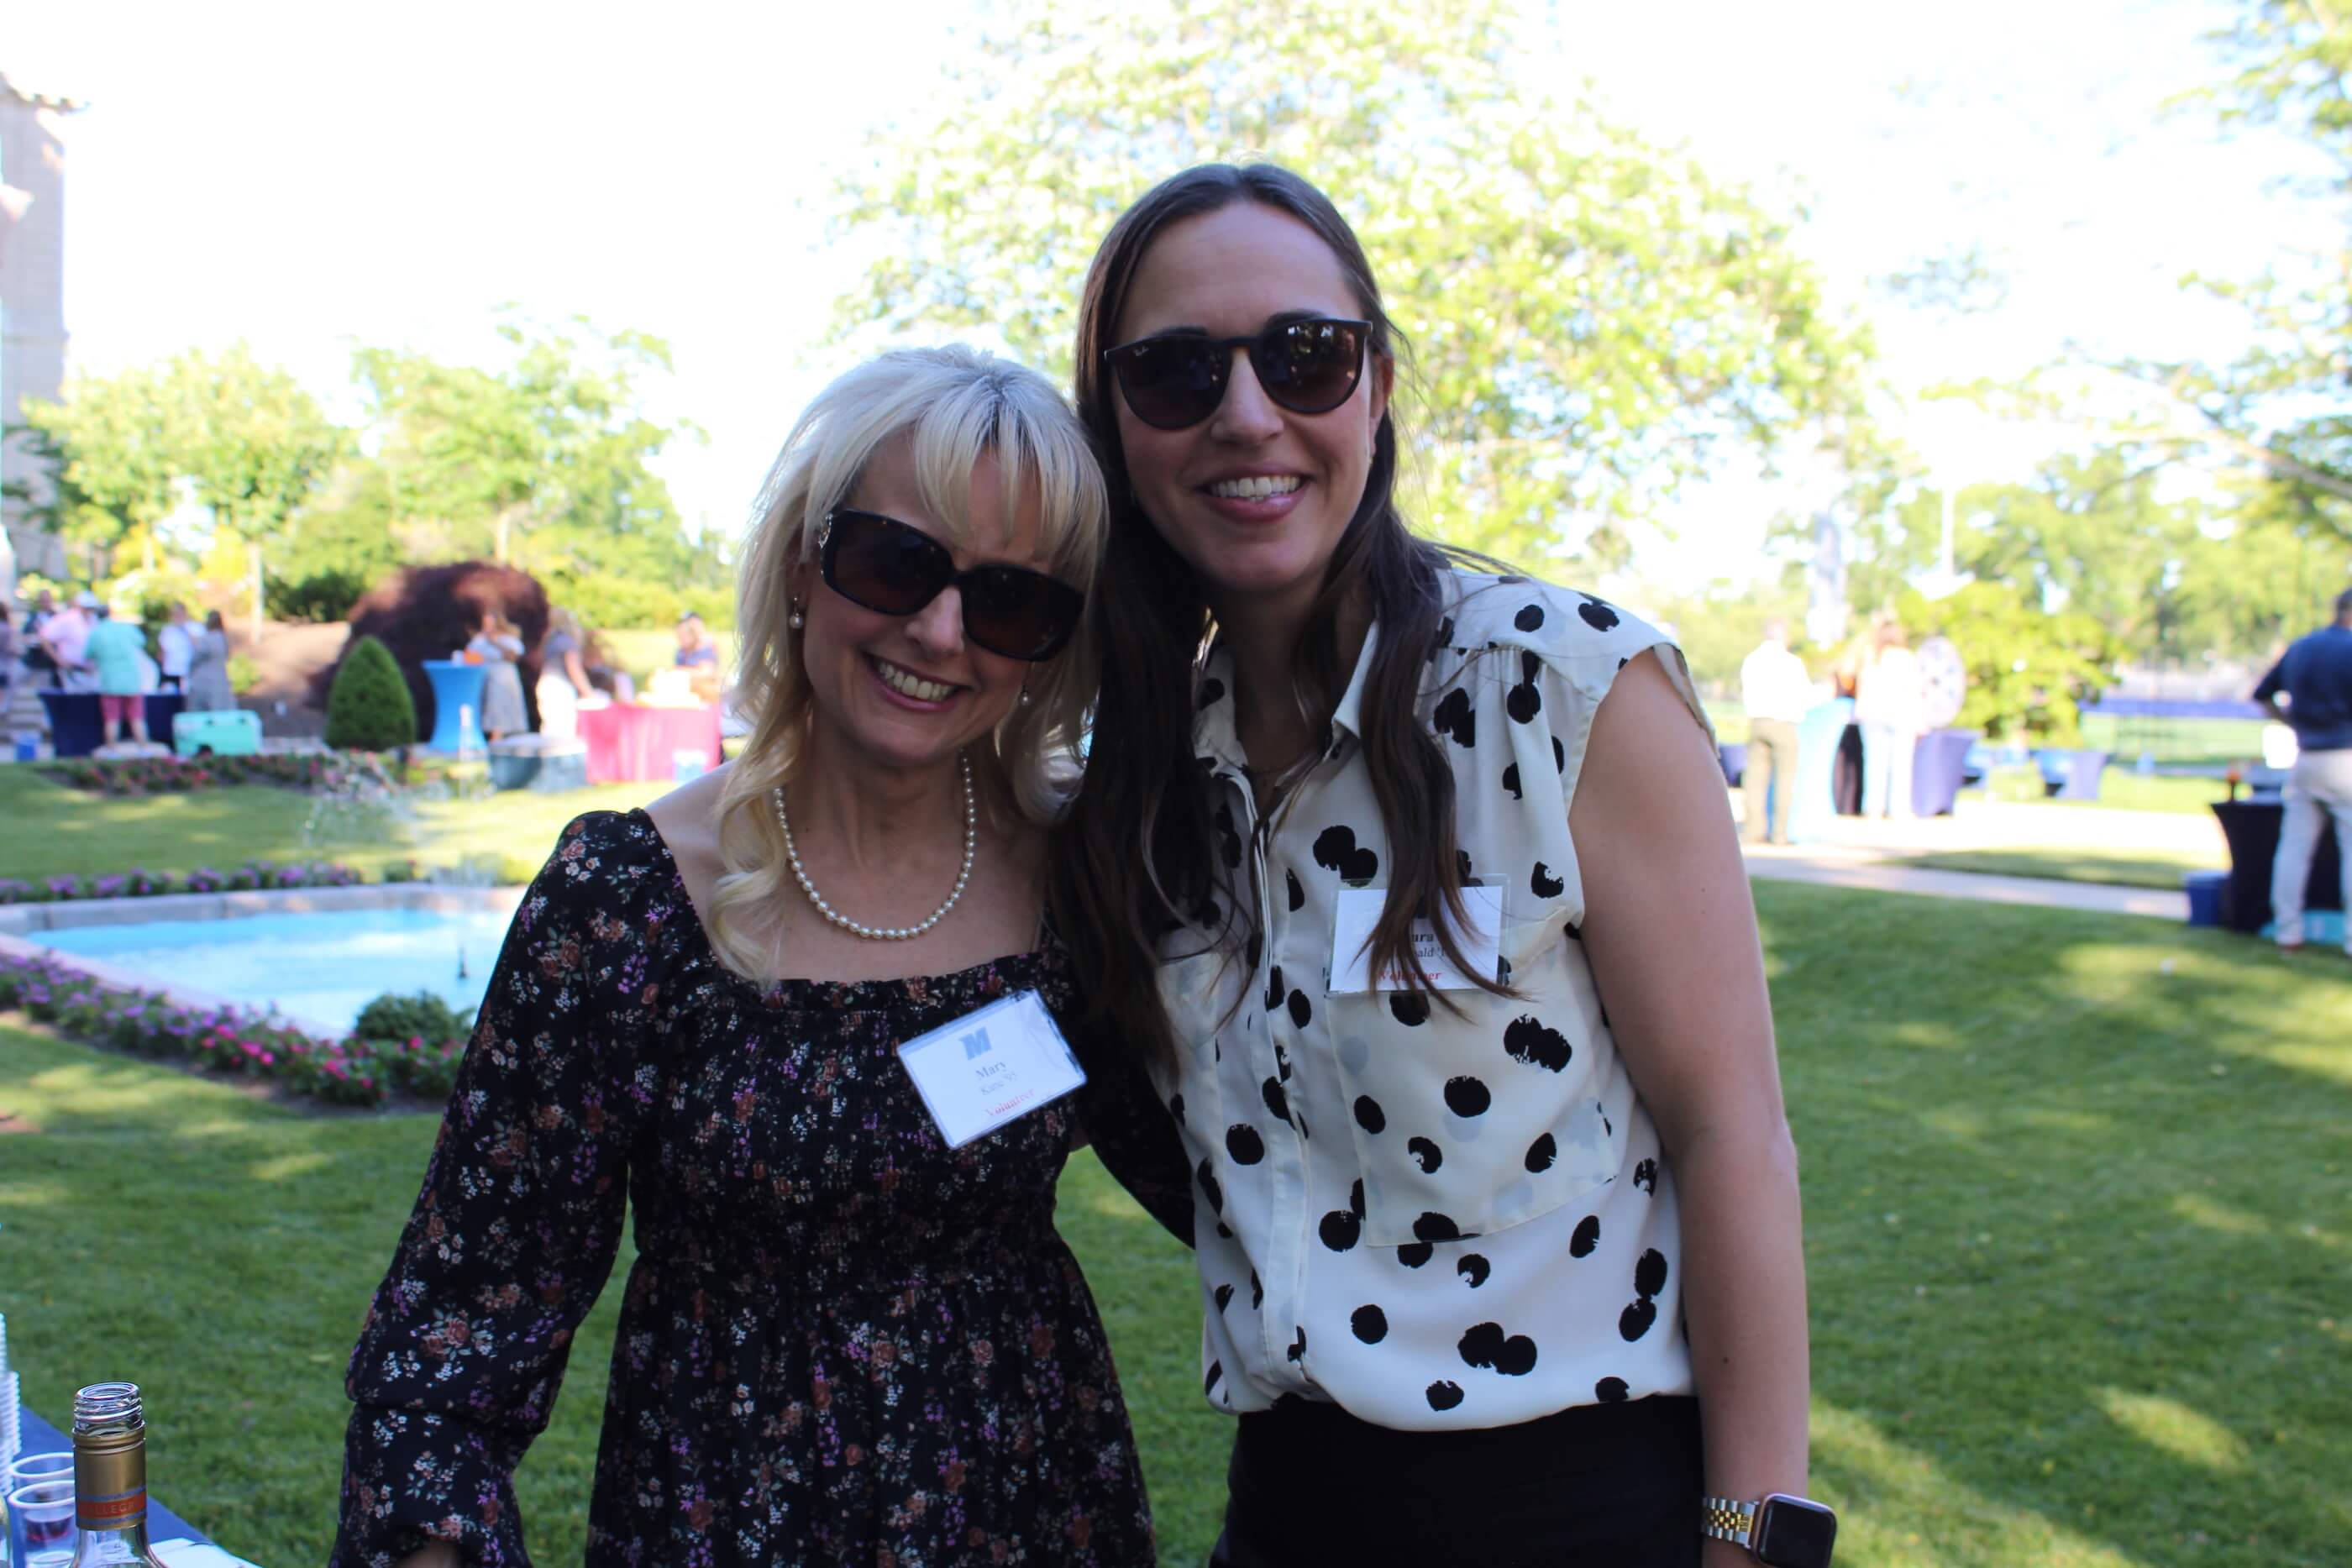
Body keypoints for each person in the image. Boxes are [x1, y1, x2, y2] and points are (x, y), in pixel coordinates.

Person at [1051, 164, 1823, 1566]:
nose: (1244, 413)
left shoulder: (1566, 690)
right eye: (1173, 373)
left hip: (1587, 1517)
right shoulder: (1150, 780)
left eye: (1303, 356)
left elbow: (1734, 1137)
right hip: (1288, 1510)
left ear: (1378, 385)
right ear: (1114, 419)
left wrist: (1756, 1541)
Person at [333, 346, 1170, 1567]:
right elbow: (460, 1331)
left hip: (1034, 1505)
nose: (940, 631)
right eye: (897, 560)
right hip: (729, 1511)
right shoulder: (626, 899)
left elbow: (1242, 1177)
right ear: (799, 560)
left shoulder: (1080, 875)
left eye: (1010, 599)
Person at [2253, 585, 2352, 956]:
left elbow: (2262, 694)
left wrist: (2293, 724)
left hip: (2307, 756)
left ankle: (2287, 933)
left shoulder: (2302, 648)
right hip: (2345, 758)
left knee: (2294, 849)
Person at [1737, 618, 1813, 847]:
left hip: (1758, 721)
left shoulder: (1751, 660)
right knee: (1785, 779)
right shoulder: (1791, 663)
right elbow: (1805, 694)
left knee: (1755, 780)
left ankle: (1753, 831)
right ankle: (1779, 833)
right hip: (1783, 722)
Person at [1853, 618, 1924, 821]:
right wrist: (1919, 719)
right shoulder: (1906, 658)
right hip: (1899, 715)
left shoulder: (1872, 657)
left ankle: (1873, 808)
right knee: (1901, 764)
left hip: (1873, 715)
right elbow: (1914, 691)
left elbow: (1862, 687)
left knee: (1875, 763)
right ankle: (1898, 808)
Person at [82, 602, 151, 747]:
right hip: (131, 680)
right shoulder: (126, 628)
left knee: (112, 719)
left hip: (110, 681)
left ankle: (112, 751)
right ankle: (144, 749)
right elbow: (141, 642)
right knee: (137, 718)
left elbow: (88, 655)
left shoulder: (97, 633)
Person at [465, 609, 528, 742]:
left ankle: (505, 739)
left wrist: (494, 642)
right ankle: (496, 739)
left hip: (505, 677)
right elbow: (469, 655)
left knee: (504, 708)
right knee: (493, 710)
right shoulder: (480, 639)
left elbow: (513, 656)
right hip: (488, 677)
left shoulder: (507, 638)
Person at [535, 606, 593, 742]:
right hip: (560, 686)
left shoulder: (550, 641)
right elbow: (574, 669)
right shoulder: (567, 642)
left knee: (550, 727)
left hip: (545, 683)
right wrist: (587, 692)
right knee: (562, 728)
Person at [39, 592, 95, 692]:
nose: (88, 610)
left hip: (89, 671)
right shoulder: (66, 619)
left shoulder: (94, 620)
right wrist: (59, 660)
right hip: (72, 670)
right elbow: (45, 637)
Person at [183, 610, 236, 712]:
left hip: (202, 684)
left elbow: (196, 659)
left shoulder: (205, 639)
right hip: (221, 682)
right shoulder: (224, 639)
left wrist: (189, 673)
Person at [675, 610, 723, 703]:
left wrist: (678, 671)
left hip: (705, 695)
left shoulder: (706, 647)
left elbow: (707, 672)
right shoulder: (681, 651)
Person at [18, 589, 59, 689]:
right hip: (32, 658)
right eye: (43, 600)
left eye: (47, 600)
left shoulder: (57, 617)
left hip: (47, 661)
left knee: (45, 689)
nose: (45, 603)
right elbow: (25, 633)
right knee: (14, 681)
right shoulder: (33, 616)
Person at [156, 601, 195, 693]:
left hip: (188, 673)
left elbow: (198, 645)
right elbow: (162, 651)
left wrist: (184, 629)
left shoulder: (194, 627)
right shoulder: (167, 629)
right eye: (174, 613)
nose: (176, 616)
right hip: (170, 672)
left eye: (179, 613)